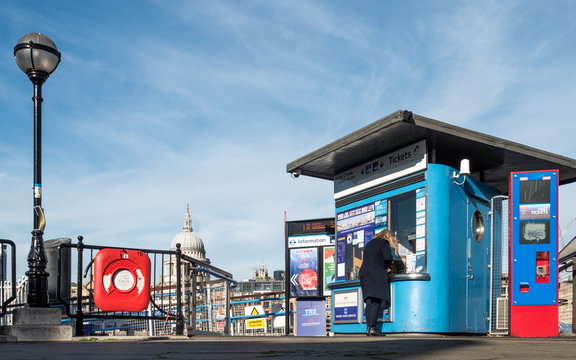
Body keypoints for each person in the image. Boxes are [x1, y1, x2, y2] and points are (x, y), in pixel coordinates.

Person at [359, 229, 394, 336]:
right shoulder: (384, 242)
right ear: (387, 236)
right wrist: (388, 266)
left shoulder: (369, 243)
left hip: (364, 272)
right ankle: (373, 328)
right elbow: (387, 257)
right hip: (375, 272)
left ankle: (368, 328)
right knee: (376, 301)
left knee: (369, 301)